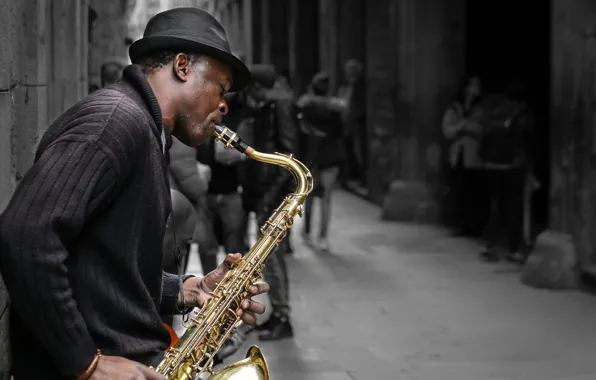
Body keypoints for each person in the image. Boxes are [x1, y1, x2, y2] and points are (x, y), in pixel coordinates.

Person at [0, 8, 268, 379]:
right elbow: (26, 236)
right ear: (182, 66)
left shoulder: (145, 130)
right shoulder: (115, 121)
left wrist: (187, 290)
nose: (224, 105)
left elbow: (102, 267)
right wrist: (86, 363)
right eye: (221, 89)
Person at [239, 64, 300, 341]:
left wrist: (273, 195)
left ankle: (283, 316)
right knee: (270, 258)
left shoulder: (279, 106)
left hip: (274, 194)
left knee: (273, 258)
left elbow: (286, 153)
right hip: (266, 191)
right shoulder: (269, 107)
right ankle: (278, 313)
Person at [296, 72, 344, 252]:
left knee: (308, 196)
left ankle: (307, 233)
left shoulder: (306, 105)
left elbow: (300, 127)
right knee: (326, 198)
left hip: (312, 154)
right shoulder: (335, 106)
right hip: (331, 154)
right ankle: (322, 237)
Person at [441, 75, 486, 236]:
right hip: (457, 156)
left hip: (475, 157)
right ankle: (460, 224)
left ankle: (475, 226)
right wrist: (461, 127)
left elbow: (484, 130)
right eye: (472, 84)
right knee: (459, 191)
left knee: (474, 192)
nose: (475, 88)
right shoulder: (455, 107)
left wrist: (466, 127)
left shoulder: (482, 108)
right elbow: (447, 130)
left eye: (477, 84)